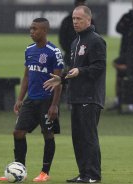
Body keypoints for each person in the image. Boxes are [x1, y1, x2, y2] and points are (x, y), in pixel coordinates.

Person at [44, 6, 106, 183]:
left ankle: (93, 175)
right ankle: (84, 174)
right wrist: (61, 79)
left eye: (79, 19)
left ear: (88, 20)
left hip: (91, 97)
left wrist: (81, 71)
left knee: (88, 137)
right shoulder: (75, 42)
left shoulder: (96, 41)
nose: (75, 22)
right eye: (73, 19)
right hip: (77, 97)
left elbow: (99, 67)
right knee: (78, 138)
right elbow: (73, 70)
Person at [0, 17, 64, 182]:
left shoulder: (54, 52)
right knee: (18, 132)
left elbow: (59, 82)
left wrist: (55, 105)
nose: (31, 32)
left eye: (35, 29)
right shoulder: (29, 50)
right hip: (31, 100)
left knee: (47, 134)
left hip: (47, 100)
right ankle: (19, 170)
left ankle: (45, 172)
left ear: (44, 31)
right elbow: (27, 76)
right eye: (31, 28)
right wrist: (19, 99)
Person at [108, 0, 133, 113]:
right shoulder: (129, 17)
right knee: (124, 74)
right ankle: (123, 101)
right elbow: (119, 28)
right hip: (128, 52)